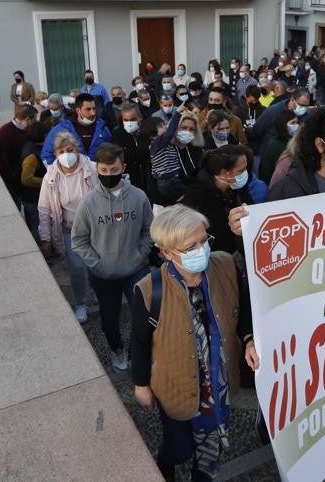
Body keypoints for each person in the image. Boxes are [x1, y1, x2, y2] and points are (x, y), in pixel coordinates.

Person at [130, 205, 257, 481]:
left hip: (217, 383)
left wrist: (248, 340)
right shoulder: (149, 289)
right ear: (167, 252)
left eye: (204, 240)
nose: (202, 250)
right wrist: (141, 385)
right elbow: (139, 342)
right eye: (191, 247)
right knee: (180, 449)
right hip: (174, 385)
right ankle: (165, 465)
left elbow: (244, 308)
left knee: (209, 456)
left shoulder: (224, 266)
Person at [71, 143, 154, 370]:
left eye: (114, 170)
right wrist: (97, 264)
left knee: (144, 315)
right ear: (97, 168)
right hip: (103, 274)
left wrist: (141, 254)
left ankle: (141, 353)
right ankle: (117, 350)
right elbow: (78, 239)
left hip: (136, 268)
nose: (109, 175)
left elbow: (150, 229)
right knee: (109, 319)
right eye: (104, 171)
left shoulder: (138, 197)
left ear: (123, 167)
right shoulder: (88, 204)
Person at [38, 131, 97, 323]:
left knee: (96, 265)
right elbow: (44, 208)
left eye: (69, 149)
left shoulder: (92, 169)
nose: (66, 154)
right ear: (55, 154)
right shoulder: (51, 177)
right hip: (69, 230)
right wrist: (45, 238)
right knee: (77, 268)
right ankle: (81, 304)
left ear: (77, 150)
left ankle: (98, 292)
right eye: (61, 151)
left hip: (95, 228)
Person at [180, 145, 254, 256]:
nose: (246, 173)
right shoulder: (197, 196)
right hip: (215, 256)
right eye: (241, 170)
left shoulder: (237, 187)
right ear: (225, 173)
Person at [41, 93, 113, 165]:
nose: (93, 113)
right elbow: (47, 156)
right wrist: (60, 172)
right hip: (68, 174)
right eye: (88, 109)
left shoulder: (103, 129)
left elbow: (110, 153)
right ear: (78, 110)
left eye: (94, 108)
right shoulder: (60, 129)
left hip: (96, 174)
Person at [150, 110, 204, 204]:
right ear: (174, 128)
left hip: (194, 200)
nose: (187, 132)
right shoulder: (164, 149)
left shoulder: (197, 151)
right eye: (183, 128)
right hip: (167, 203)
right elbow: (154, 182)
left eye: (191, 129)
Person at [19, 121, 52, 260]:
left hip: (36, 197)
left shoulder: (32, 147)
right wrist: (46, 182)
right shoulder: (32, 156)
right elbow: (26, 179)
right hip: (33, 199)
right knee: (36, 227)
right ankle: (41, 256)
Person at [109, 103, 153, 194]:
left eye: (132, 119)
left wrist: (134, 152)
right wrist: (145, 150)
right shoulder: (117, 133)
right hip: (130, 180)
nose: (129, 122)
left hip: (148, 177)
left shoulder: (146, 131)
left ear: (139, 118)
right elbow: (122, 156)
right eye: (126, 120)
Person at [0, 105, 34, 203]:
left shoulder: (27, 130)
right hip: (12, 181)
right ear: (27, 119)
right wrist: (13, 179)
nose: (34, 123)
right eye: (33, 120)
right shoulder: (4, 133)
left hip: (24, 177)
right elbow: (2, 161)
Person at [257, 108, 297, 185]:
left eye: (297, 122)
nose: (296, 126)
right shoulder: (275, 145)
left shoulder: (293, 140)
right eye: (293, 123)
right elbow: (268, 172)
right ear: (283, 124)